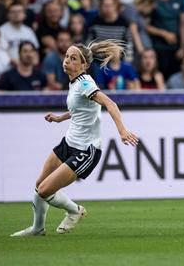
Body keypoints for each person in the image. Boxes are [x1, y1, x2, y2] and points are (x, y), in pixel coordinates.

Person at [10, 39, 138, 236]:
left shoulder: (85, 83)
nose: (67, 61)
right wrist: (60, 118)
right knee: (39, 186)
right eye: (67, 56)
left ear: (83, 65)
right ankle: (38, 228)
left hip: (86, 150)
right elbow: (80, 108)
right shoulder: (75, 83)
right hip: (68, 143)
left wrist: (122, 130)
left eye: (73, 58)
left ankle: (74, 211)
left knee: (44, 191)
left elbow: (110, 103)